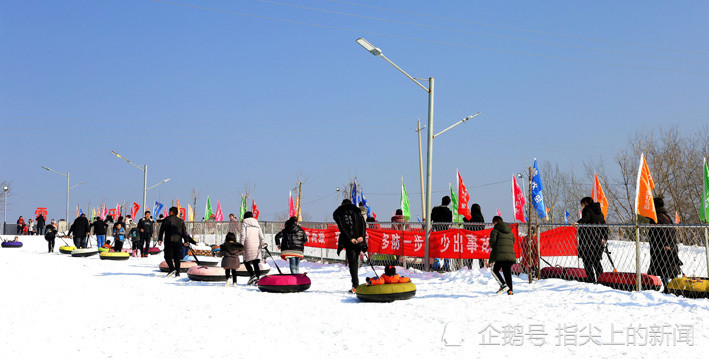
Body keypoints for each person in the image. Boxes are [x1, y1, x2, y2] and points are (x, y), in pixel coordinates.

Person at [647, 198, 683, 294]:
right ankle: (674, 286)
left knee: (663, 267)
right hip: (669, 245)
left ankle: (668, 287)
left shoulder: (656, 217)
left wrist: (665, 244)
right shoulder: (666, 216)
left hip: (661, 246)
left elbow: (661, 232)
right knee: (670, 267)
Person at [333, 199, 367, 293]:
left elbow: (343, 227)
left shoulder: (340, 212)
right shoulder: (357, 211)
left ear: (342, 204)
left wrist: (350, 238)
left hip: (350, 241)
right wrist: (361, 237)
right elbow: (363, 224)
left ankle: (355, 285)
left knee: (353, 262)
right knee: (355, 261)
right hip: (359, 239)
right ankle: (356, 284)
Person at [158, 207, 196, 277]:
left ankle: (172, 269)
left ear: (171, 212)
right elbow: (184, 232)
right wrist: (186, 241)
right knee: (177, 257)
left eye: (169, 211)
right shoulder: (181, 221)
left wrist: (160, 239)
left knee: (167, 256)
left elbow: (161, 230)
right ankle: (177, 272)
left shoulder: (166, 219)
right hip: (178, 241)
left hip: (169, 240)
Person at [576, 197, 607, 283]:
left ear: (585, 203)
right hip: (597, 240)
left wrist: (578, 223)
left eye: (582, 204)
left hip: (587, 239)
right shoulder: (600, 213)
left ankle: (591, 280)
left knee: (587, 261)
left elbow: (586, 218)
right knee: (596, 261)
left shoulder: (587, 209)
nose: (582, 206)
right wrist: (604, 237)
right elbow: (604, 226)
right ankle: (601, 280)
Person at [489, 216, 516, 295]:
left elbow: (492, 242)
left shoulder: (495, 231)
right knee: (507, 272)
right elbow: (513, 241)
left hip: (500, 255)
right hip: (510, 255)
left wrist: (492, 244)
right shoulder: (510, 232)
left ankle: (503, 285)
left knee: (495, 270)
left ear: (496, 222)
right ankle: (510, 290)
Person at [240, 211, 265, 285]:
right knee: (255, 262)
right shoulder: (256, 223)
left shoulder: (244, 223)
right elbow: (261, 234)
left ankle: (252, 275)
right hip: (257, 245)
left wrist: (241, 244)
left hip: (248, 244)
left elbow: (243, 235)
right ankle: (257, 278)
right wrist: (263, 241)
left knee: (246, 261)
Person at [465, 203, 486, 268]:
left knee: (470, 254)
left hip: (470, 237)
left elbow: (465, 224)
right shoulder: (481, 217)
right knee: (480, 253)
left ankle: (468, 267)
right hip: (479, 237)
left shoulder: (469, 216)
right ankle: (482, 267)